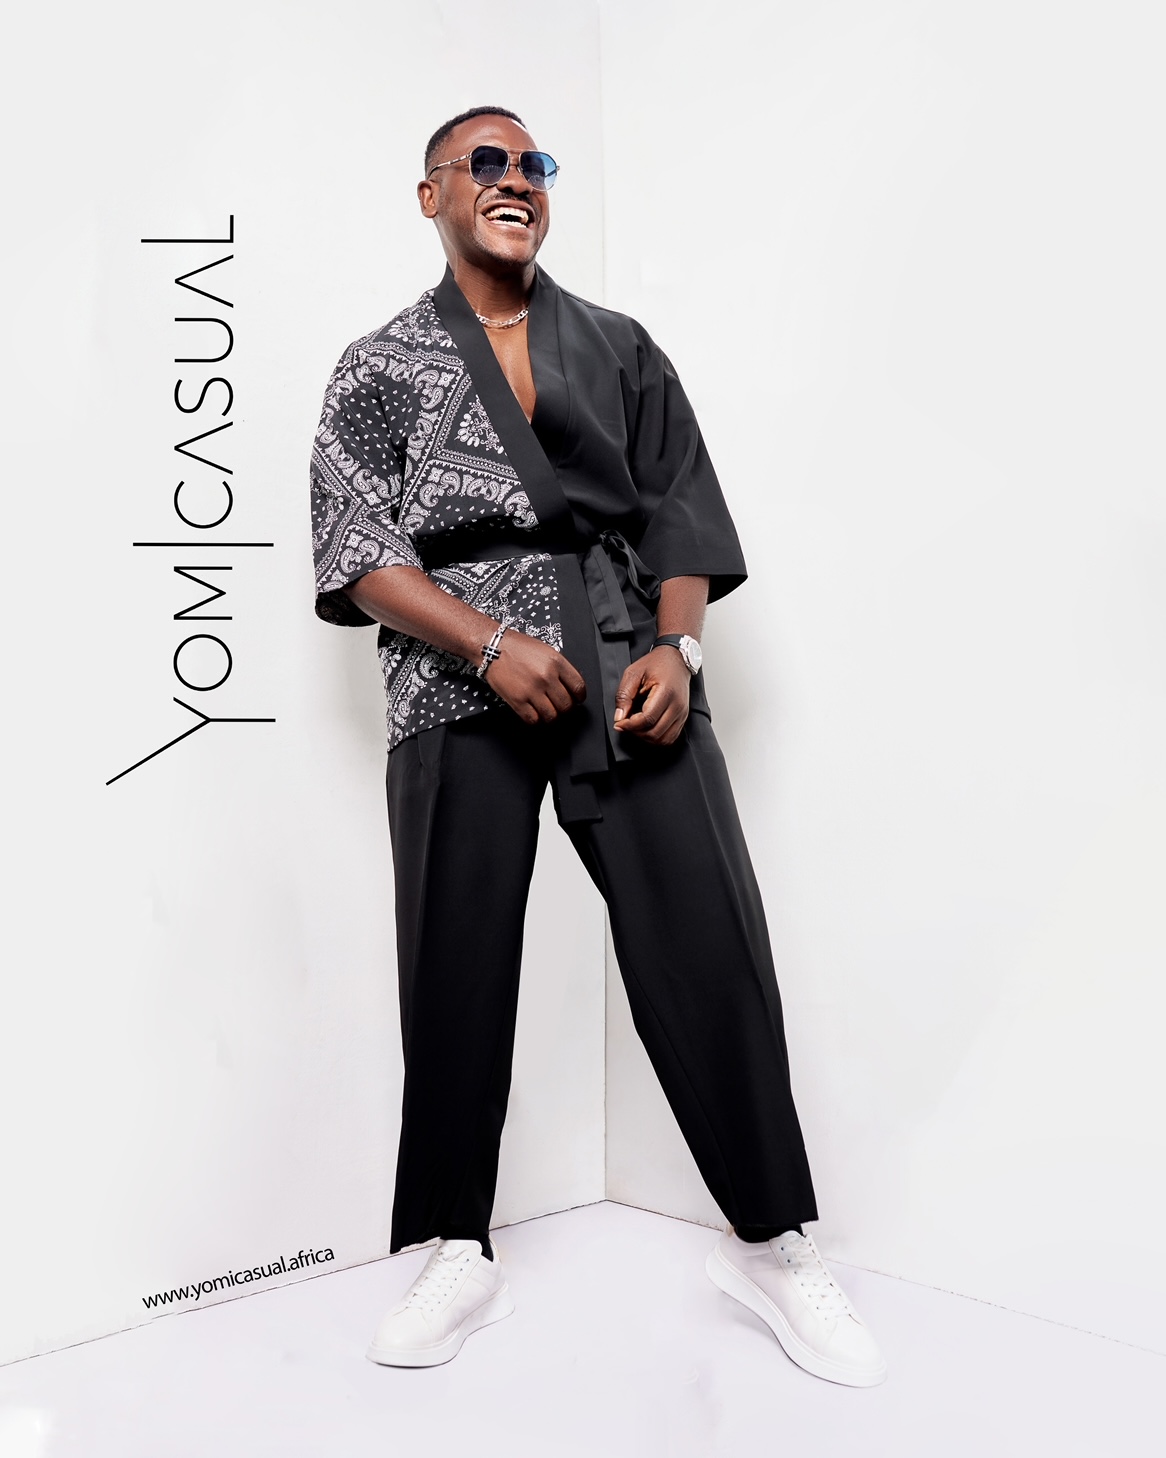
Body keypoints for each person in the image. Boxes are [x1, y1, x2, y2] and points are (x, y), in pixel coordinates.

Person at [309, 105, 886, 1388]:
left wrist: (679, 649)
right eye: (486, 163)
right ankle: (456, 1247)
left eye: (534, 164)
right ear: (430, 196)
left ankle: (771, 1243)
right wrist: (484, 646)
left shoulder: (618, 346)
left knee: (706, 936)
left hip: (625, 656)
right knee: (452, 957)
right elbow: (355, 553)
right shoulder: (379, 364)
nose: (515, 179)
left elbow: (681, 512)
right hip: (451, 679)